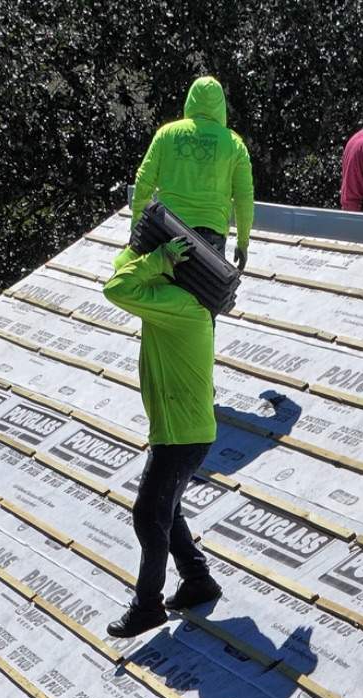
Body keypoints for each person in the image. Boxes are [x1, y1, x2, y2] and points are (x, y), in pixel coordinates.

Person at [102, 232, 221, 639]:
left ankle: (148, 606)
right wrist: (143, 249)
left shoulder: (180, 308)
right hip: (178, 432)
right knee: (165, 511)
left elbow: (116, 287)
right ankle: (198, 581)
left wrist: (154, 257)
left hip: (182, 437)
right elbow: (123, 271)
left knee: (148, 516)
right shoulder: (178, 300)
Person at [130, 74, 255, 275]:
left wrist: (137, 224)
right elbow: (243, 198)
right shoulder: (234, 145)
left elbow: (143, 180)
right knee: (203, 301)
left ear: (190, 100)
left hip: (168, 228)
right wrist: (243, 242)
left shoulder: (167, 133)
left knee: (162, 296)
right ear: (221, 107)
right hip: (210, 236)